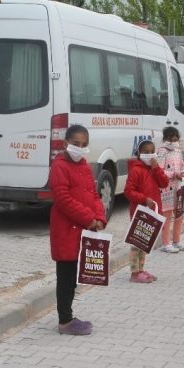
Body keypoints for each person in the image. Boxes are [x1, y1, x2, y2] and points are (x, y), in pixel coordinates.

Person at [49, 125, 106, 335]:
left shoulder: (84, 165)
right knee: (65, 278)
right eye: (75, 144)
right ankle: (65, 321)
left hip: (83, 230)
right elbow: (63, 199)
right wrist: (89, 219)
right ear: (66, 143)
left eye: (84, 145)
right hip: (66, 230)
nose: (80, 148)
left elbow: (93, 195)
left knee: (72, 278)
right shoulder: (60, 166)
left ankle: (69, 316)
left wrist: (99, 217)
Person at [125, 139, 169, 283]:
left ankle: (141, 269)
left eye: (152, 152)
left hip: (152, 211)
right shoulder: (136, 170)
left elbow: (164, 183)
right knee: (137, 243)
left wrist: (157, 168)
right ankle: (134, 272)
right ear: (139, 153)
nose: (149, 155)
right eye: (146, 152)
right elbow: (129, 191)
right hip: (140, 211)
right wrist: (144, 199)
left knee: (144, 242)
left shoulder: (153, 168)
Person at [157, 127, 184, 253]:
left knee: (179, 214)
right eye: (171, 140)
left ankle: (177, 241)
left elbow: (182, 166)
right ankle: (166, 243)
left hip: (179, 187)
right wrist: (172, 174)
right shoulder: (161, 152)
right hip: (167, 189)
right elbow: (159, 171)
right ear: (165, 139)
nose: (173, 142)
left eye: (176, 139)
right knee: (167, 215)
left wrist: (182, 173)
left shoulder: (178, 151)